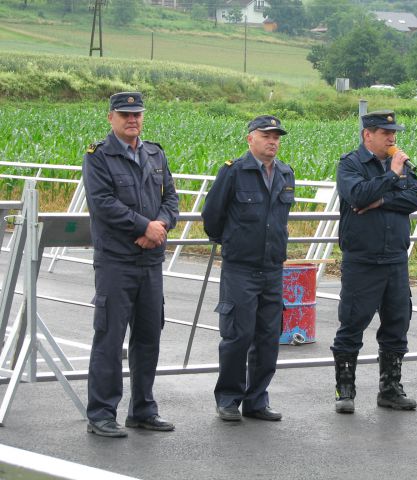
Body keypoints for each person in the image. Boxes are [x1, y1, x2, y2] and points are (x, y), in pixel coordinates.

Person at [83, 92, 179, 437]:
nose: (132, 120)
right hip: (116, 263)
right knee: (109, 338)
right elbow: (103, 204)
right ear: (111, 118)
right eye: (124, 114)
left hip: (150, 261)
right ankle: (101, 414)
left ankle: (142, 410)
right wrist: (144, 226)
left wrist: (160, 226)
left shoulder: (155, 153)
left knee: (148, 337)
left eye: (137, 114)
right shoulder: (98, 157)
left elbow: (171, 199)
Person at [201, 115, 295, 422]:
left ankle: (257, 400)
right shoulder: (234, 172)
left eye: (277, 137)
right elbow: (212, 214)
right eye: (266, 135)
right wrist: (231, 241)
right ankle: (229, 398)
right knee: (237, 336)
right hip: (241, 267)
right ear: (250, 139)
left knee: (269, 337)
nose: (273, 141)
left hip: (271, 268)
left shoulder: (284, 173)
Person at [331, 110, 417, 413]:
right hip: (363, 260)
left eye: (394, 133)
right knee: (352, 324)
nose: (392, 138)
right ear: (367, 135)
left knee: (398, 324)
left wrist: (383, 200)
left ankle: (390, 389)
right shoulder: (350, 164)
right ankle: (345, 390)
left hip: (395, 259)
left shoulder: (401, 166)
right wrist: (390, 177)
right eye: (386, 133)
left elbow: (415, 198)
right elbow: (358, 195)